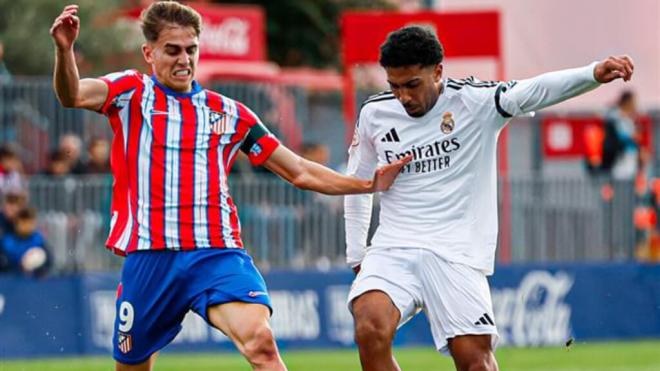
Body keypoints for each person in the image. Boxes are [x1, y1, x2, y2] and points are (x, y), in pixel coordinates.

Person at [50, 3, 409, 370]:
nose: (184, 59)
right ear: (149, 52)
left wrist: (366, 184)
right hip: (150, 257)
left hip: (215, 253)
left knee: (262, 344)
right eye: (172, 50)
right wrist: (65, 51)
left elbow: (298, 170)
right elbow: (72, 94)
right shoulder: (130, 93)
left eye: (191, 49)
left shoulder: (229, 113)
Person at [344, 26, 634, 371]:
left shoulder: (475, 101)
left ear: (438, 71)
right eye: (394, 86)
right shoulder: (374, 113)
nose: (403, 96)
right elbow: (356, 183)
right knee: (368, 326)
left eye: (411, 85)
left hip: (456, 252)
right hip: (394, 246)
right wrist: (357, 252)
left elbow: (535, 90)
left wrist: (593, 74)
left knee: (475, 362)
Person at [0, 207, 51, 277]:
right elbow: (3, 263)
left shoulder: (38, 240)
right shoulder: (7, 242)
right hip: (11, 281)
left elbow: (48, 261)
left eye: (29, 222)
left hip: (33, 283)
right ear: (16, 223)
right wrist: (18, 266)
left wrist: (39, 268)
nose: (26, 225)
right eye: (23, 222)